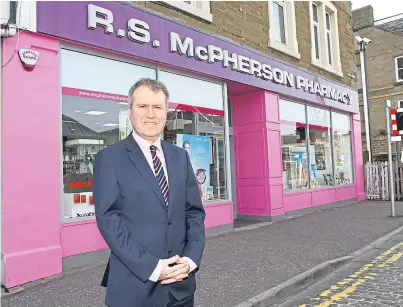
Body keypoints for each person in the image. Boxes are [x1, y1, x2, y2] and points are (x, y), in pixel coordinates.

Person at [93, 78, 206, 307]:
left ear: (166, 113)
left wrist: (191, 259)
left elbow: (193, 212)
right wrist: (154, 268)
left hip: (180, 288)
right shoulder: (109, 159)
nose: (150, 114)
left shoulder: (180, 157)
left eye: (157, 107)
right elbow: (109, 221)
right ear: (130, 112)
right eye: (142, 106)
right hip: (134, 290)